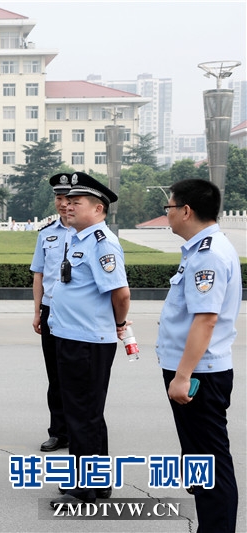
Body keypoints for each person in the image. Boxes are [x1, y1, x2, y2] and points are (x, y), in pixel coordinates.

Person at [156, 179, 240, 532]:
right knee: (199, 461)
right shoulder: (199, 249)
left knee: (211, 464)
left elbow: (205, 320)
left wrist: (183, 375)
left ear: (186, 211)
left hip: (198, 375)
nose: (168, 215)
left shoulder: (208, 254)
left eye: (169, 208)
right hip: (194, 370)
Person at [47, 172, 130, 507]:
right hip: (72, 338)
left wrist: (120, 323)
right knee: (85, 412)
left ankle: (87, 489)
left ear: (98, 209)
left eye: (75, 202)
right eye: (66, 201)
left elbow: (120, 293)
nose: (67, 206)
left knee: (84, 414)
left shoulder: (102, 244)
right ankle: (97, 482)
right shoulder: (80, 238)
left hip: (87, 342)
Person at [29, 174, 71, 453]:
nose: (64, 204)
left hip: (78, 315)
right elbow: (39, 275)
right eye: (59, 198)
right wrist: (37, 311)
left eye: (69, 199)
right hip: (50, 311)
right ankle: (58, 432)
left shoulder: (91, 235)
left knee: (77, 377)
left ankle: (80, 431)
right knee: (55, 376)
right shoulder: (47, 234)